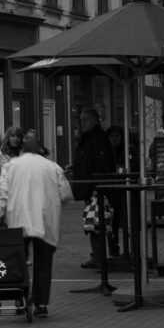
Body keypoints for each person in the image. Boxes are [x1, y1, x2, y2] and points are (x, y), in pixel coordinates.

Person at [0, 132, 75, 319]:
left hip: (19, 220)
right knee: (43, 263)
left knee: (19, 260)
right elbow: (66, 194)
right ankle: (41, 303)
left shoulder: (11, 166)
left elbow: (2, 195)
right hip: (45, 221)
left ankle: (21, 297)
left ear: (23, 149)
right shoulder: (52, 167)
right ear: (40, 149)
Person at [70, 107, 116, 269]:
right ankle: (98, 254)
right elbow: (87, 160)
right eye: (81, 120)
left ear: (96, 120)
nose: (82, 123)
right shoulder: (87, 138)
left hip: (95, 188)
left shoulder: (97, 139)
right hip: (88, 186)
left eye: (86, 120)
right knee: (93, 221)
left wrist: (97, 187)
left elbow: (101, 164)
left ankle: (101, 255)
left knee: (97, 222)